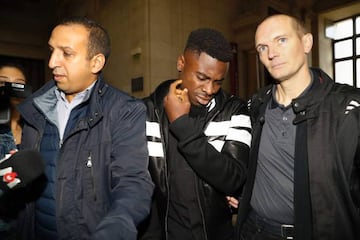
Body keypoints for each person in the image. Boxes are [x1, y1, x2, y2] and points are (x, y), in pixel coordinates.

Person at [16, 16, 154, 240]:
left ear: (96, 62)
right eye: (52, 50)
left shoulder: (124, 112)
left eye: (66, 53)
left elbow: (133, 183)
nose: (52, 62)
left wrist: (115, 229)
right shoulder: (35, 109)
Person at [234, 14, 360, 240]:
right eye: (262, 48)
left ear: (307, 43)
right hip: (252, 231)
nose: (272, 53)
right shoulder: (256, 105)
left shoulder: (346, 109)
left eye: (281, 40)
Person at [140, 28, 251, 240]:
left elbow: (233, 179)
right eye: (202, 77)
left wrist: (182, 125)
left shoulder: (234, 110)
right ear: (181, 63)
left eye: (218, 81)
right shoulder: (147, 112)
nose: (209, 89)